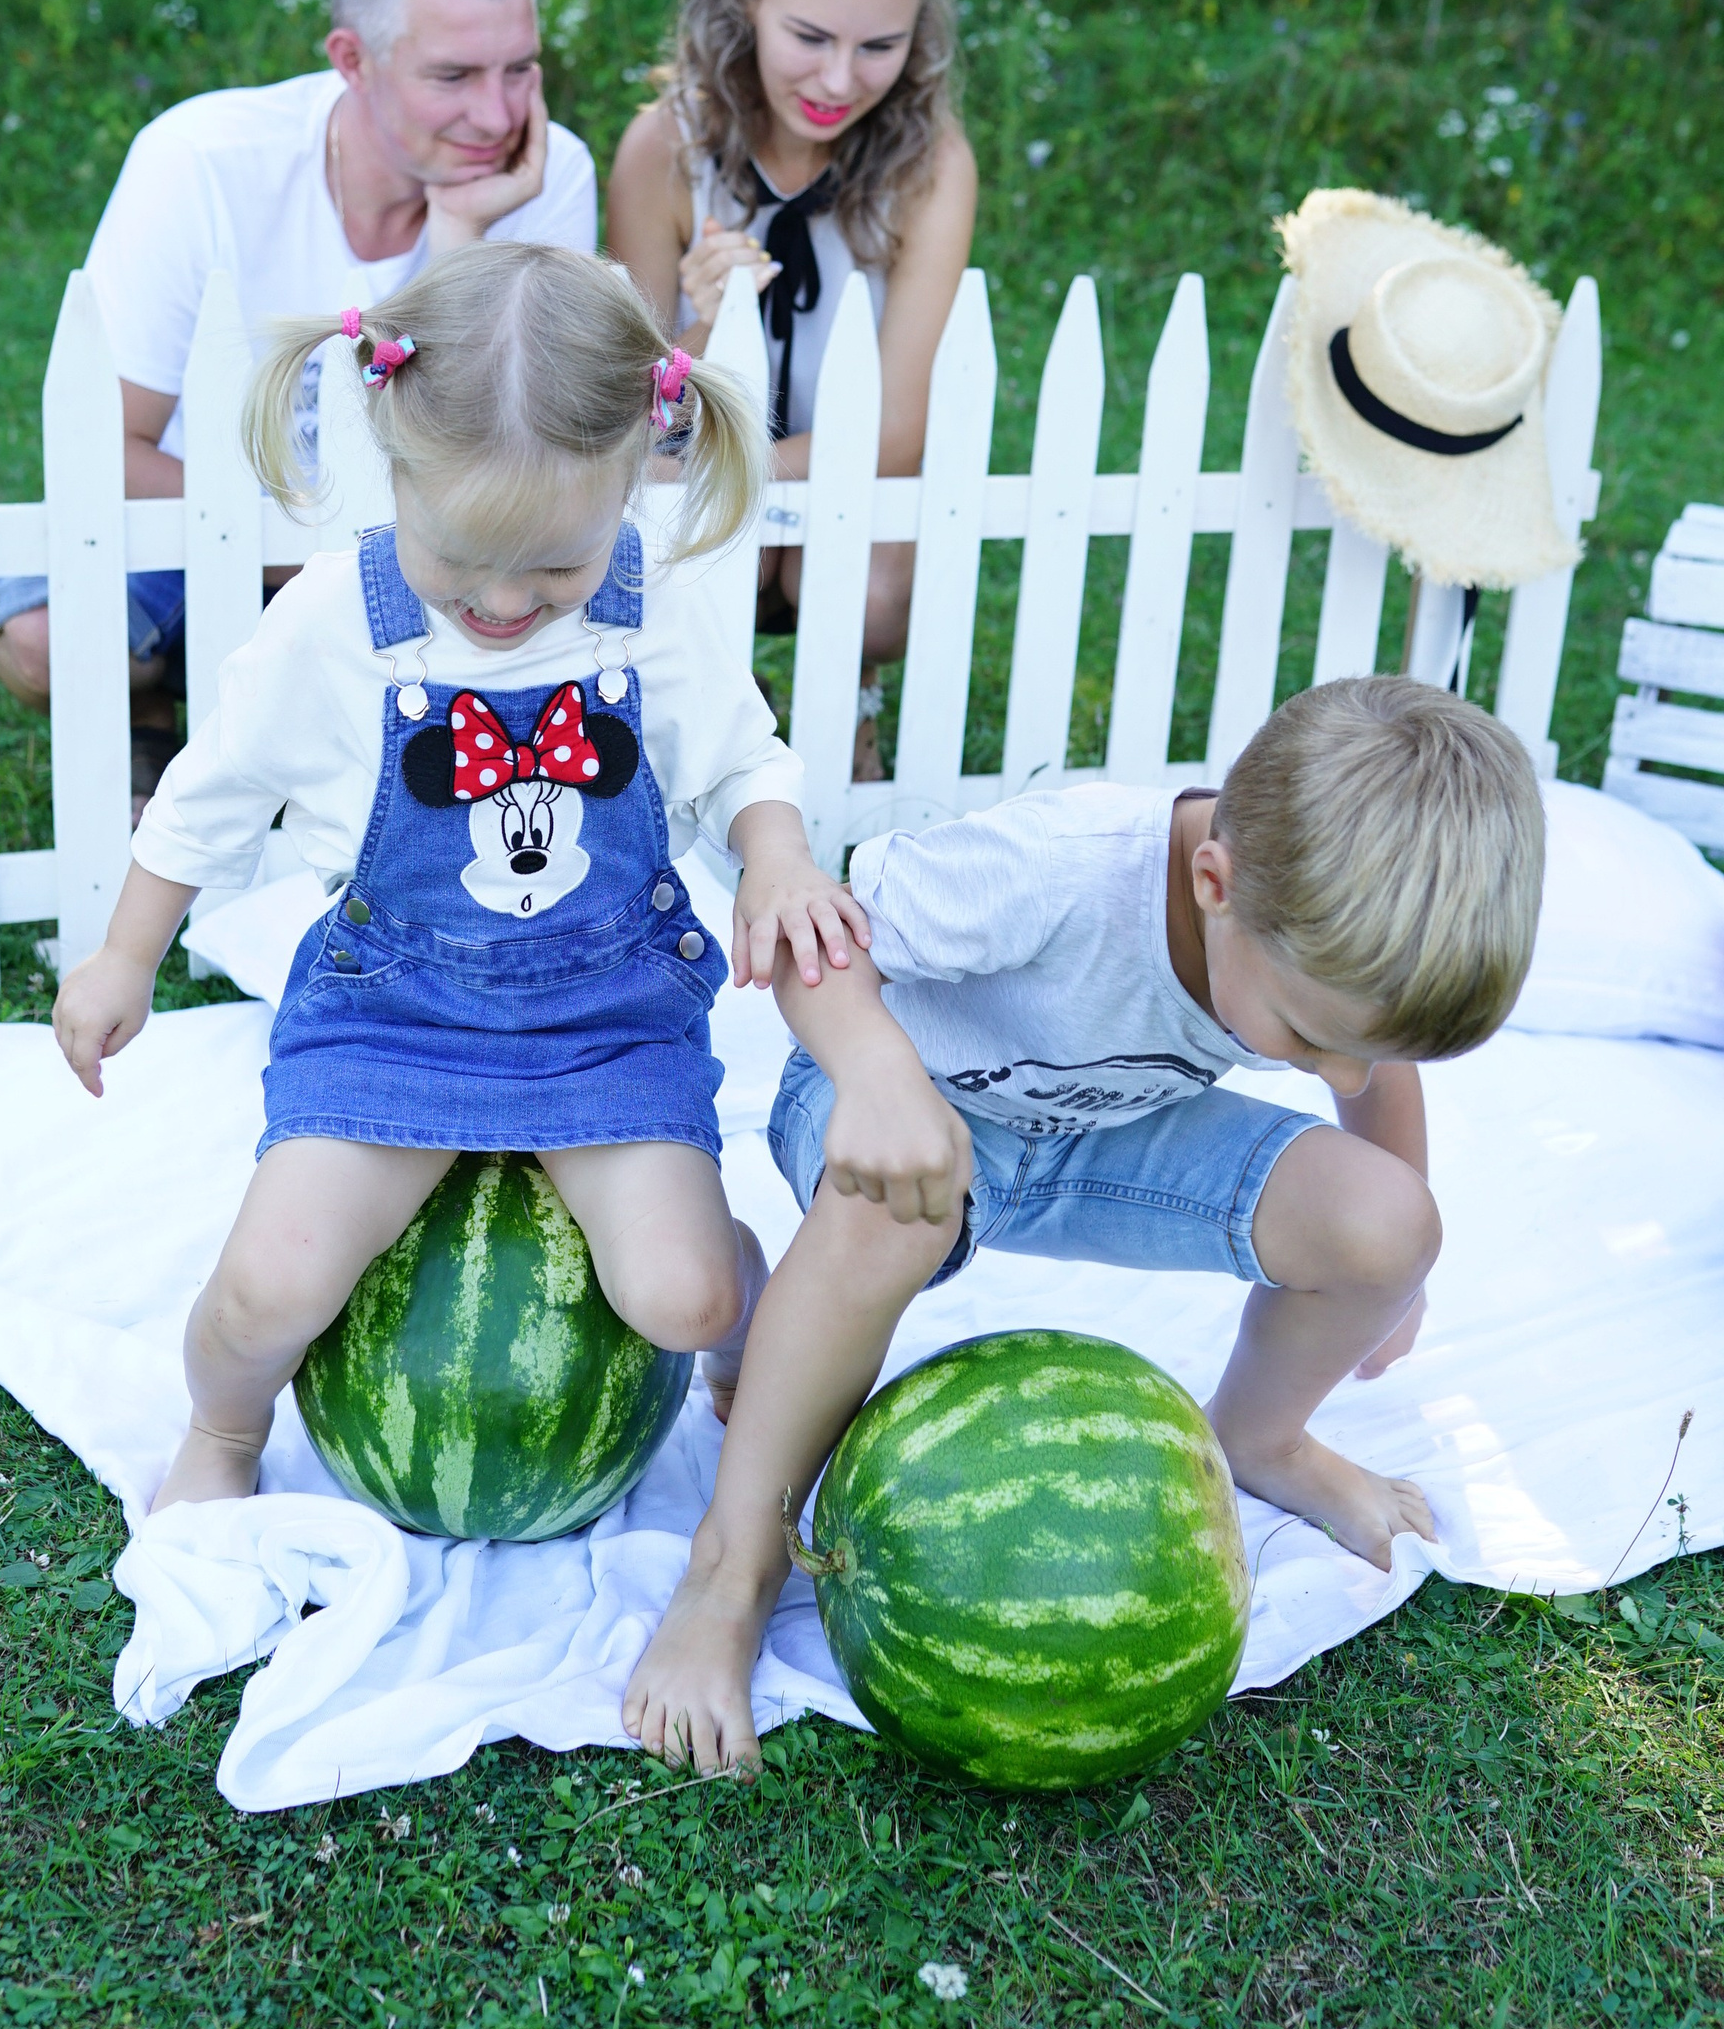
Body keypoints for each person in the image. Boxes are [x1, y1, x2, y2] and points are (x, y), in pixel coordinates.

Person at [49, 242, 867, 1512]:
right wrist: (123, 957)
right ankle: (220, 1428)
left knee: (685, 1292)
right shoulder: (331, 620)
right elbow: (210, 794)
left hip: (604, 1028)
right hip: (393, 1022)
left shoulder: (652, 614)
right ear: (395, 469)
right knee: (269, 1286)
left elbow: (742, 760)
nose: (504, 601)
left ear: (630, 479)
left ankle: (745, 1324)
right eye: (463, 558)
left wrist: (778, 856)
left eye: (555, 568)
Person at [624, 674, 1546, 1773]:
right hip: (894, 1104)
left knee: (1389, 1226)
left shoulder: (1305, 940)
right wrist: (879, 1081)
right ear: (1214, 884)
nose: (1339, 1075)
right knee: (889, 1223)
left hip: (1101, 1140)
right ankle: (730, 1573)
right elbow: (814, 940)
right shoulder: (1059, 868)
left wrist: (1398, 1278)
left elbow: (1376, 1071)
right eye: (1310, 1040)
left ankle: (1261, 1438)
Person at [0, 0, 598, 811]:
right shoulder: (200, 160)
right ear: (352, 60)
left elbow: (507, 455)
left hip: (440, 557)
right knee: (41, 633)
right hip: (202, 529)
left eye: (520, 70)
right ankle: (163, 711)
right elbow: (101, 447)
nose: (496, 113)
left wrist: (460, 237)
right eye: (453, 76)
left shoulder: (546, 176)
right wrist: (316, 547)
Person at [607, 0, 977, 778]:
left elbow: (894, 432)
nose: (839, 79)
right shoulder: (663, 150)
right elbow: (625, 410)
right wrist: (699, 329)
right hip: (689, 467)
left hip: (844, 482)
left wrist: (736, 480)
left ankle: (848, 702)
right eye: (809, 36)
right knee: (654, 541)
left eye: (879, 46)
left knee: (865, 588)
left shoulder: (930, 167)